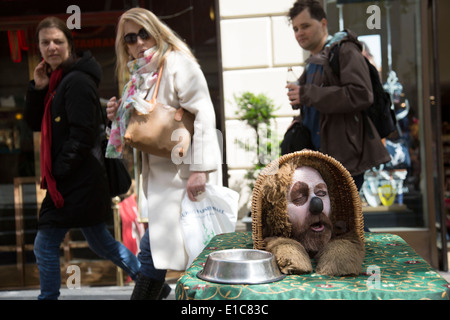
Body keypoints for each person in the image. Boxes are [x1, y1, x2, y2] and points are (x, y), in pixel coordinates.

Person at [105, 8, 222, 299]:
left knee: (183, 254)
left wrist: (200, 169)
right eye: (130, 38)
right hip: (161, 182)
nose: (139, 42)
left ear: (156, 31)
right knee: (163, 253)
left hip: (185, 177)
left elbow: (204, 113)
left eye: (143, 33)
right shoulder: (140, 75)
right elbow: (147, 128)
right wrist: (118, 115)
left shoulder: (176, 63)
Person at [25, 17, 140, 300]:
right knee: (101, 242)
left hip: (77, 180)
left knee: (46, 244)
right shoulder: (55, 81)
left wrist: (60, 171)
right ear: (39, 48)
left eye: (58, 41)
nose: (52, 47)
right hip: (78, 180)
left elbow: (83, 133)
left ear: (69, 44)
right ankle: (152, 283)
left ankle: (47, 297)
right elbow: (32, 123)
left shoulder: (75, 81)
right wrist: (37, 87)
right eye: (45, 42)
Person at [286, 0, 390, 190]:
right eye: (295, 29)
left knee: (345, 219)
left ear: (323, 23)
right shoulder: (312, 63)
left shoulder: (344, 50)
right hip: (318, 161)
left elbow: (361, 94)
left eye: (305, 26)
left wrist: (307, 94)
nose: (299, 33)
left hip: (343, 161)